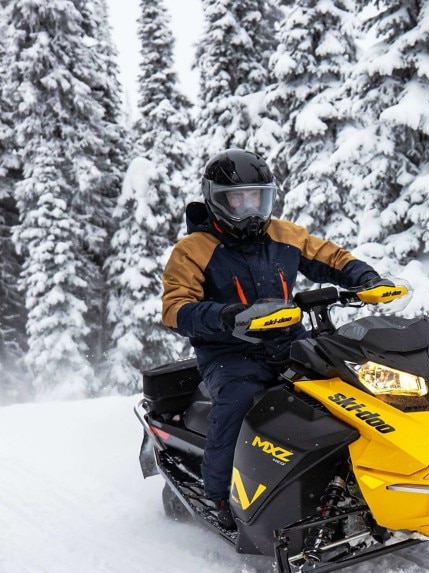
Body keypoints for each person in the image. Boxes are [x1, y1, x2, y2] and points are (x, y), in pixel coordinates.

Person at [161, 149, 383, 529]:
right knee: (239, 401)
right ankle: (220, 496)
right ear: (217, 200)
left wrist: (366, 278)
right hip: (230, 351)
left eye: (257, 197)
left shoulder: (284, 234)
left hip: (289, 340)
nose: (250, 208)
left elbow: (328, 256)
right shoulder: (194, 249)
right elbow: (175, 307)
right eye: (239, 198)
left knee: (347, 387)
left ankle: (364, 476)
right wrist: (227, 316)